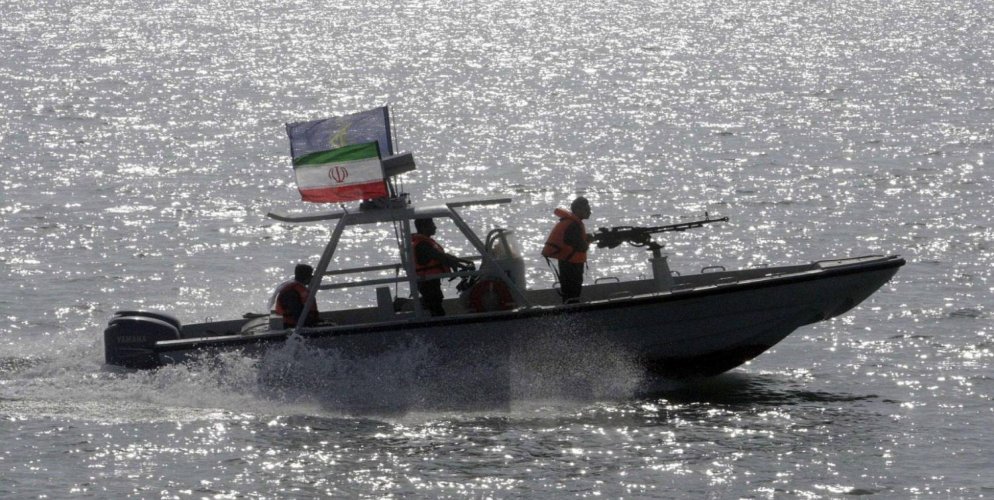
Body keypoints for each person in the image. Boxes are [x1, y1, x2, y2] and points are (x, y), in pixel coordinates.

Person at [412, 218, 474, 316]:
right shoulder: (422, 245)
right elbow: (440, 257)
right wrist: (461, 265)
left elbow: (443, 256)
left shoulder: (424, 242)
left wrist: (462, 261)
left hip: (429, 281)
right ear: (424, 228)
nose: (435, 227)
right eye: (432, 225)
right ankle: (439, 322)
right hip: (427, 282)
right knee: (435, 305)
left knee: (434, 302)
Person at [542, 197, 593, 303]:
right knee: (572, 293)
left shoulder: (572, 223)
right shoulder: (573, 225)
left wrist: (586, 239)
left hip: (568, 262)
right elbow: (580, 247)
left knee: (570, 292)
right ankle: (572, 311)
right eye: (586, 209)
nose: (589, 212)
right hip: (571, 264)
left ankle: (570, 309)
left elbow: (573, 242)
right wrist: (589, 241)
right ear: (578, 210)